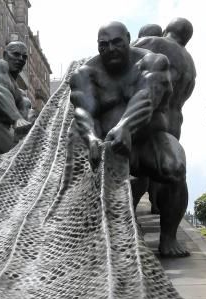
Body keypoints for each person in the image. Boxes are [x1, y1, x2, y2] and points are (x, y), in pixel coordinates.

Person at [70, 21, 189, 258]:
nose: (110, 49)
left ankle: (169, 237)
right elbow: (84, 111)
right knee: (84, 183)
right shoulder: (86, 73)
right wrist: (92, 138)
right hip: (107, 145)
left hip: (148, 137)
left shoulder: (153, 62)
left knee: (175, 167)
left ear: (127, 38)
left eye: (116, 42)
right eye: (103, 45)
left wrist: (125, 126)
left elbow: (147, 97)